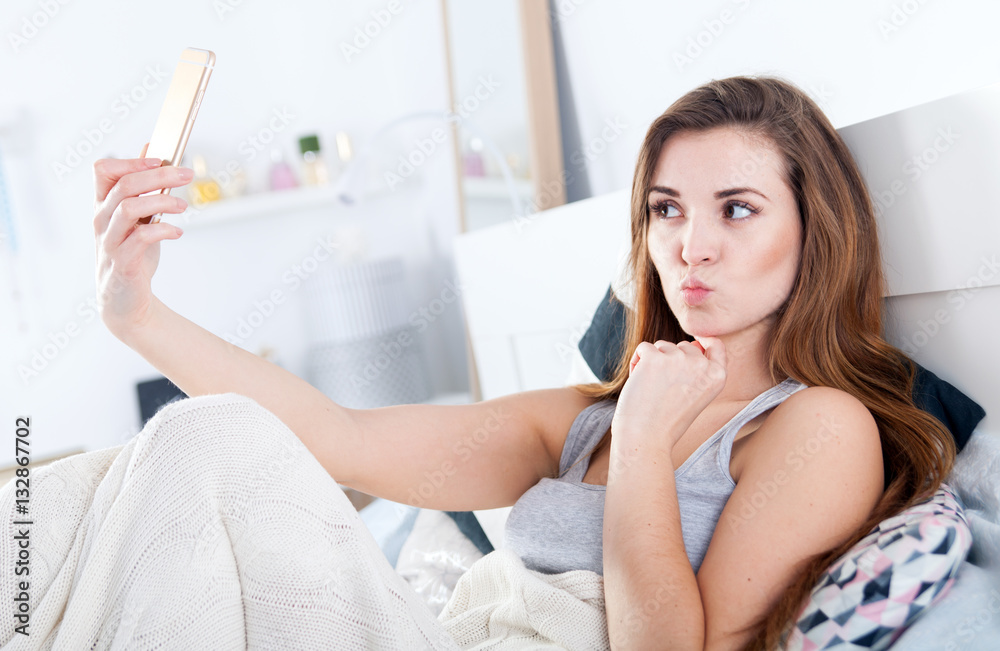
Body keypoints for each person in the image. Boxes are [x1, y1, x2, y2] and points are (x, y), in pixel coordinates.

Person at [88, 75, 955, 650]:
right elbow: (336, 437)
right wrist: (137, 316)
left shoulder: (820, 425)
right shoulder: (586, 418)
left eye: (737, 209)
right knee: (200, 446)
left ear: (814, 228)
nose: (691, 246)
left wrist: (647, 446)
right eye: (666, 210)